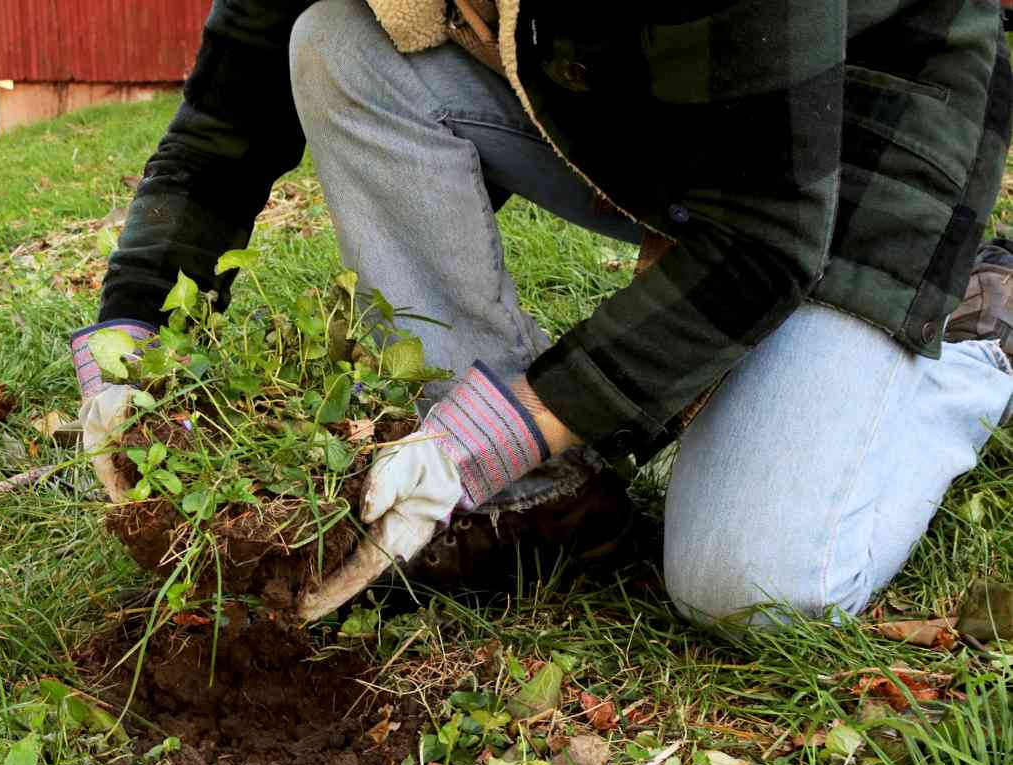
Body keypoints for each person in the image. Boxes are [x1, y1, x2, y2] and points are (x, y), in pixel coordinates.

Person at [73, 0, 1013, 628]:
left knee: (753, 587)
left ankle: (975, 333)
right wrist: (127, 344)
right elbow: (220, 133)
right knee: (334, 39)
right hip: (626, 94)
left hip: (857, 134)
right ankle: (532, 501)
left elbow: (765, 238)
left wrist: (509, 426)